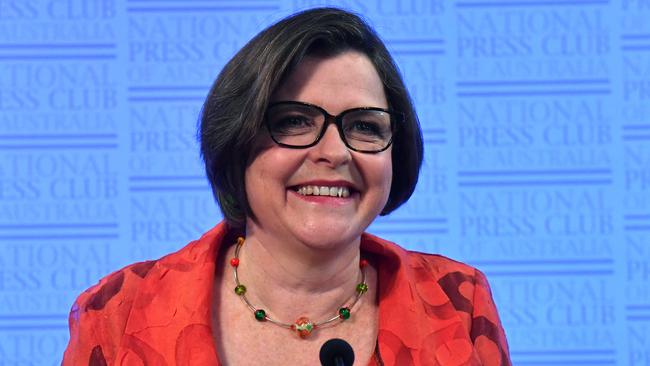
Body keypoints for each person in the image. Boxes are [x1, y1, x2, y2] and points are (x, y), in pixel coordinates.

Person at [63, 7, 511, 366]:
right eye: (294, 121)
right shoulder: (119, 312)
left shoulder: (458, 302)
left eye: (364, 126)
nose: (334, 152)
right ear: (236, 140)